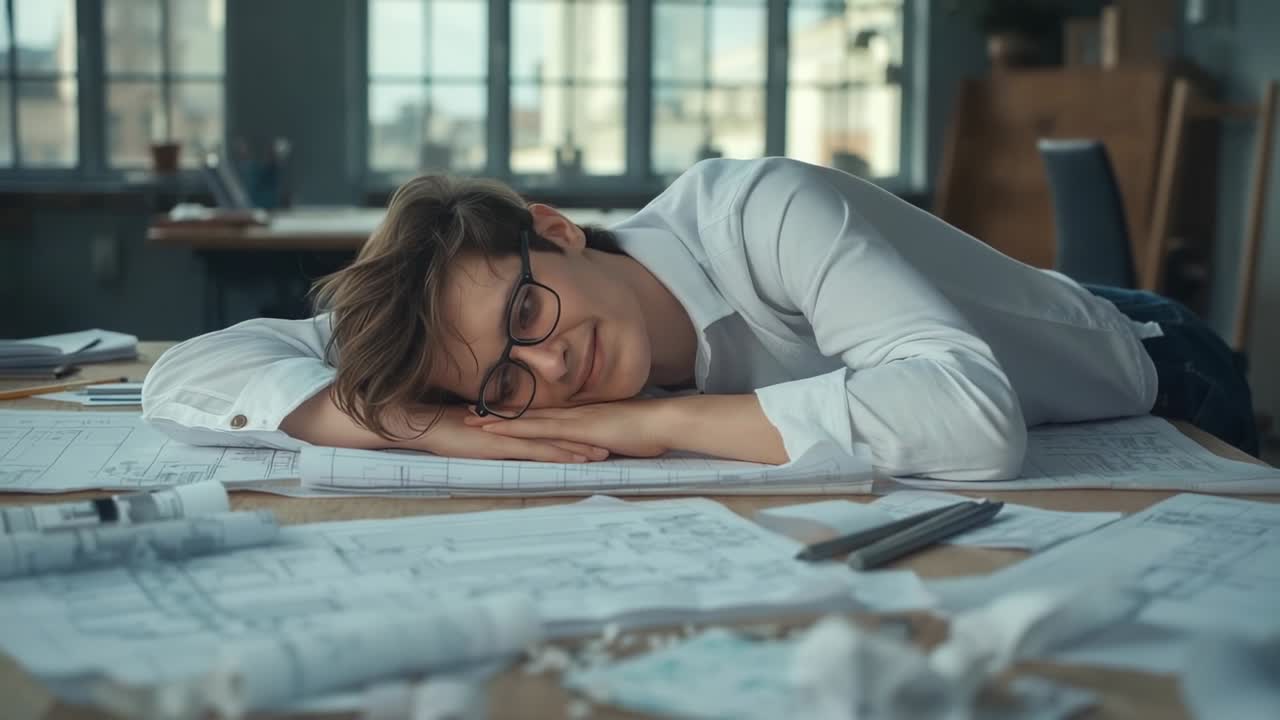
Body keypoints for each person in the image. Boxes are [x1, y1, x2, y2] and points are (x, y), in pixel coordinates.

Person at [141, 158, 1258, 481]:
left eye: (526, 308)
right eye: (503, 383)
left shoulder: (760, 211)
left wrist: (655, 426)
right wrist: (430, 426)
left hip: (1143, 364)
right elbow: (186, 376)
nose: (551, 363)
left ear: (554, 228)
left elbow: (970, 422)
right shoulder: (468, 361)